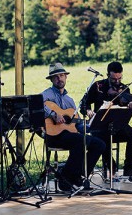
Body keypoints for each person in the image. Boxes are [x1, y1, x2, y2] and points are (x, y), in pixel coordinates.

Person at [42, 62, 106, 190]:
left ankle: (79, 174)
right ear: (52, 80)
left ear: (66, 77)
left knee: (99, 144)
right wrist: (53, 114)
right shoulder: (46, 94)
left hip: (69, 134)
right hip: (53, 134)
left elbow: (76, 125)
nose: (59, 79)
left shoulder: (69, 100)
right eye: (56, 77)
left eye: (61, 75)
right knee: (80, 141)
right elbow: (37, 106)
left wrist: (91, 124)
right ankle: (65, 177)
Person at [80, 61, 132, 180]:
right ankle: (111, 166)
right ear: (108, 75)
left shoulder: (124, 89)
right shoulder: (98, 86)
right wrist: (88, 111)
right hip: (100, 126)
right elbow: (84, 103)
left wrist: (130, 105)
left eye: (119, 78)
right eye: (114, 79)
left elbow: (126, 101)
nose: (117, 82)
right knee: (103, 138)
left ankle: (129, 169)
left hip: (117, 126)